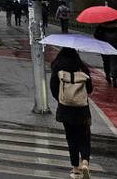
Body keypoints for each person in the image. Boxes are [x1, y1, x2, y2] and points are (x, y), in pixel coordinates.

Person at [50, 47, 93, 178]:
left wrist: (63, 99)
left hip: (65, 109)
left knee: (71, 138)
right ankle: (85, 162)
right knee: (85, 136)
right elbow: (90, 89)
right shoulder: (82, 68)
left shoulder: (57, 68)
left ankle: (75, 168)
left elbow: (53, 89)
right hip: (82, 109)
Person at [94, 21, 117, 87]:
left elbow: (96, 36)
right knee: (114, 64)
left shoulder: (101, 27)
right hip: (114, 48)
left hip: (104, 47)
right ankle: (114, 79)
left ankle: (108, 75)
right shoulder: (115, 25)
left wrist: (99, 27)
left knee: (106, 62)